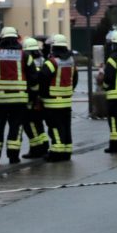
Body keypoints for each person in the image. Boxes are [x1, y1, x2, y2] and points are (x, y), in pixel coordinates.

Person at [0, 26, 29, 165]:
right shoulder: (25, 56)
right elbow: (33, 78)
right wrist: (32, 95)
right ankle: (13, 157)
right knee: (16, 128)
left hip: (0, 100)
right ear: (16, 39)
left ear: (1, 39)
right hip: (20, 100)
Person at [41, 33, 78, 162]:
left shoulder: (52, 62)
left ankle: (56, 153)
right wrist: (69, 91)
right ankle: (67, 152)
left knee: (54, 127)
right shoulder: (71, 61)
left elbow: (43, 80)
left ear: (53, 47)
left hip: (52, 102)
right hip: (66, 101)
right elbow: (75, 79)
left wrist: (42, 95)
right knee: (66, 127)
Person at [21, 37, 49, 158]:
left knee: (29, 123)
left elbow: (31, 82)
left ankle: (35, 149)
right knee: (38, 123)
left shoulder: (28, 62)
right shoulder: (44, 60)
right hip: (43, 99)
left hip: (32, 98)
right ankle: (43, 145)